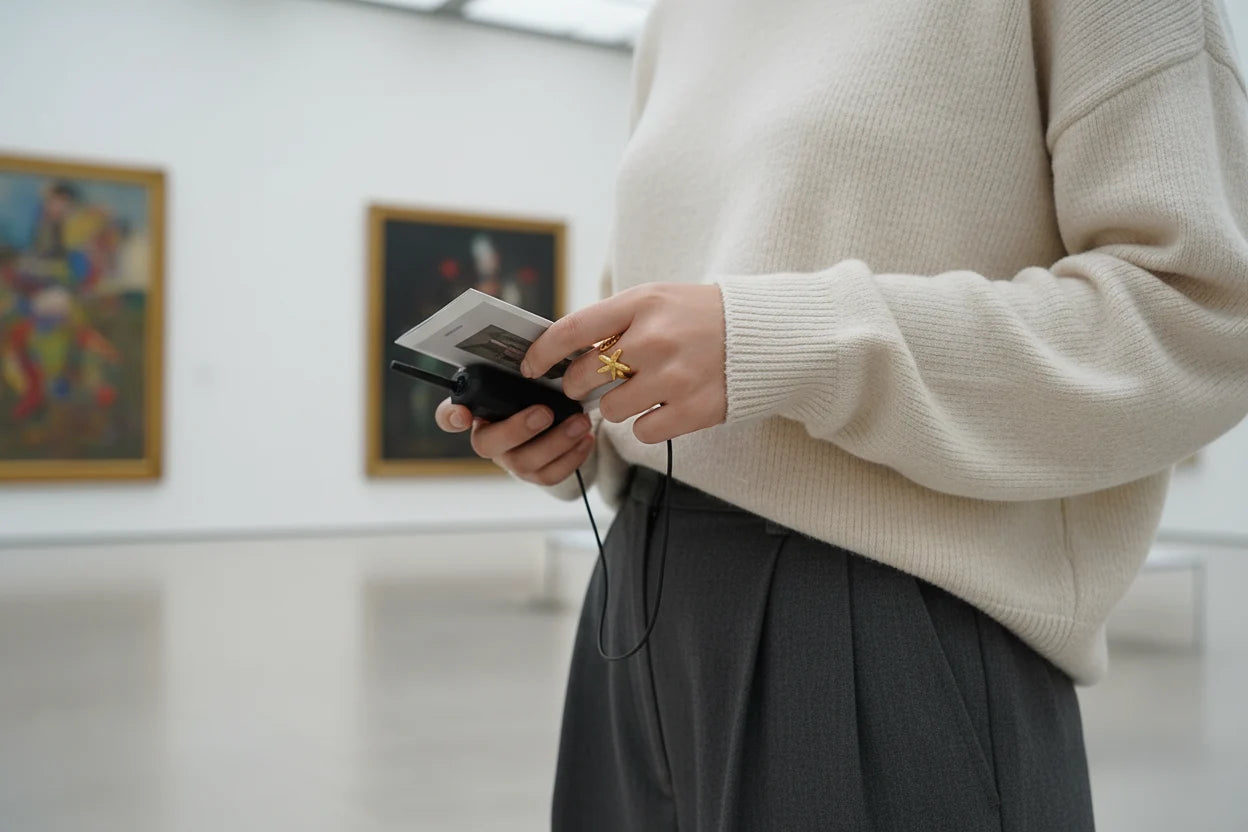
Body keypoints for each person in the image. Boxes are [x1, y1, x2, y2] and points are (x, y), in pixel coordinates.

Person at [436, 0, 1248, 828]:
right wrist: (581, 434)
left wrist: (783, 341)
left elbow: (1205, 315)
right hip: (638, 603)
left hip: (887, 618)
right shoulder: (679, 15)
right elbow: (666, 317)